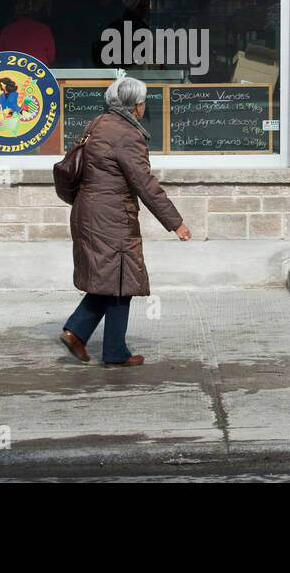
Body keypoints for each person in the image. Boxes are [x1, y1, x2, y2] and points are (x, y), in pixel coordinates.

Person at [60, 76, 191, 368]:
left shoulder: (97, 123)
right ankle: (111, 349)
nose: (145, 106)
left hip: (88, 210)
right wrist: (175, 223)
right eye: (143, 101)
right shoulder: (127, 135)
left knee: (111, 277)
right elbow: (145, 184)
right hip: (112, 216)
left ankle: (78, 332)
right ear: (135, 106)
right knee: (121, 280)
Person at [0, 0, 55, 65]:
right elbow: (51, 58)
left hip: (14, 73)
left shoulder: (7, 30)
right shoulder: (44, 30)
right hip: (39, 74)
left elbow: (0, 58)